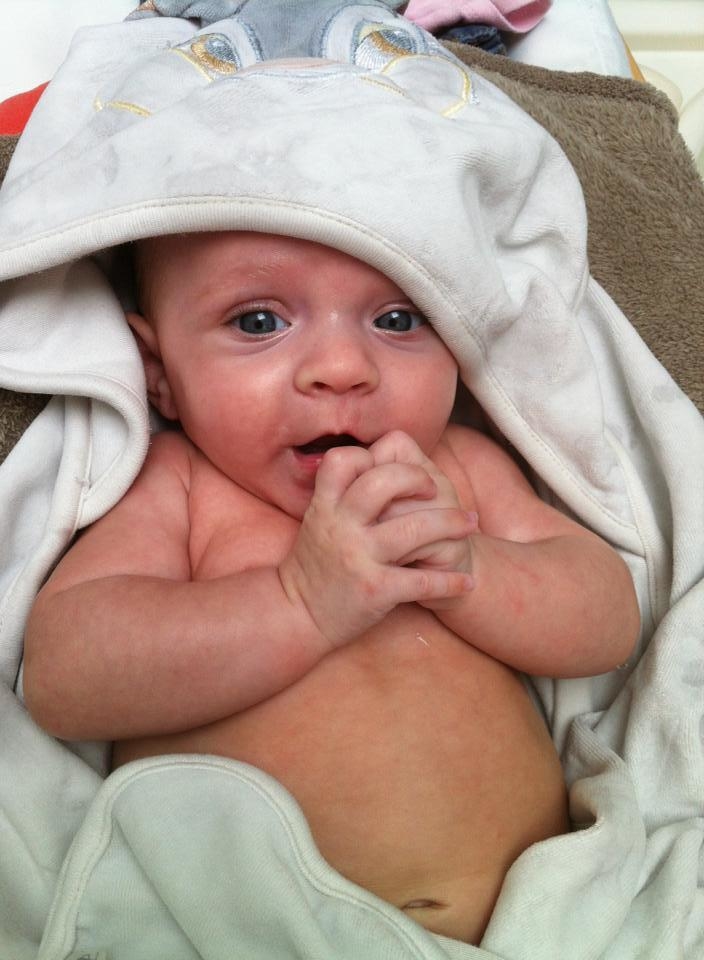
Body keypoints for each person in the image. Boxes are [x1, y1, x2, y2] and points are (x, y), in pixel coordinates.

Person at [23, 229, 640, 944]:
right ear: (158, 370)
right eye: (259, 321)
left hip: (546, 925)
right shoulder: (182, 486)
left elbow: (610, 621)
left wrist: (472, 569)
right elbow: (67, 675)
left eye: (398, 319)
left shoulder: (458, 469)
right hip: (254, 932)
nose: (343, 369)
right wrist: (299, 602)